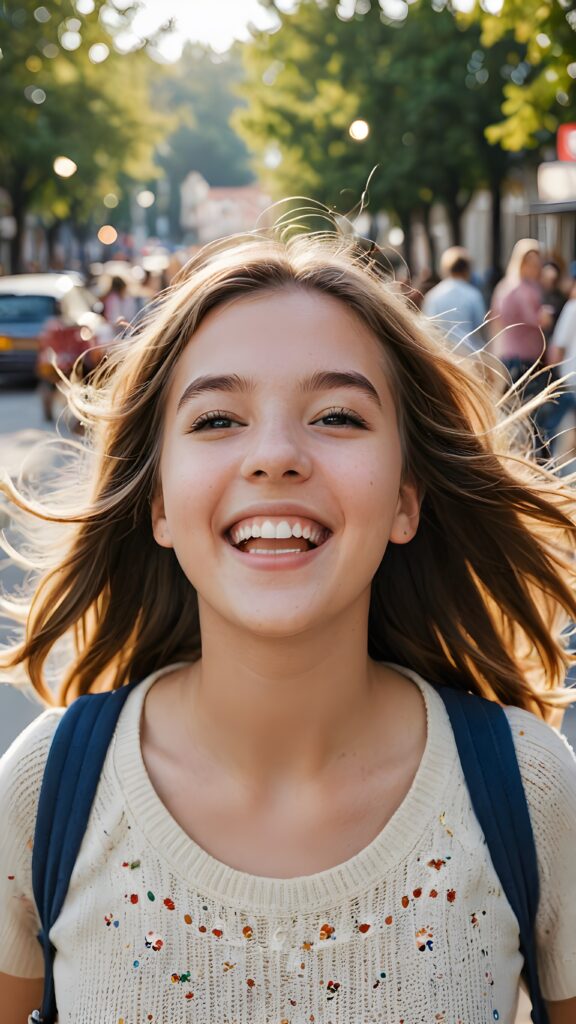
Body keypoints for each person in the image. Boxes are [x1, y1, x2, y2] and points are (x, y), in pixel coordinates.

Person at [0, 230, 575, 1024]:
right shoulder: (44, 790)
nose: (275, 456)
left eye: (337, 415)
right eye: (214, 421)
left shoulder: (530, 788)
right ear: (159, 503)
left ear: (406, 498)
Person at [422, 246, 487, 349]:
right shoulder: (473, 295)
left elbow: (429, 328)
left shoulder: (433, 295)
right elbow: (480, 327)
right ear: (467, 269)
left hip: (442, 352)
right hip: (469, 353)